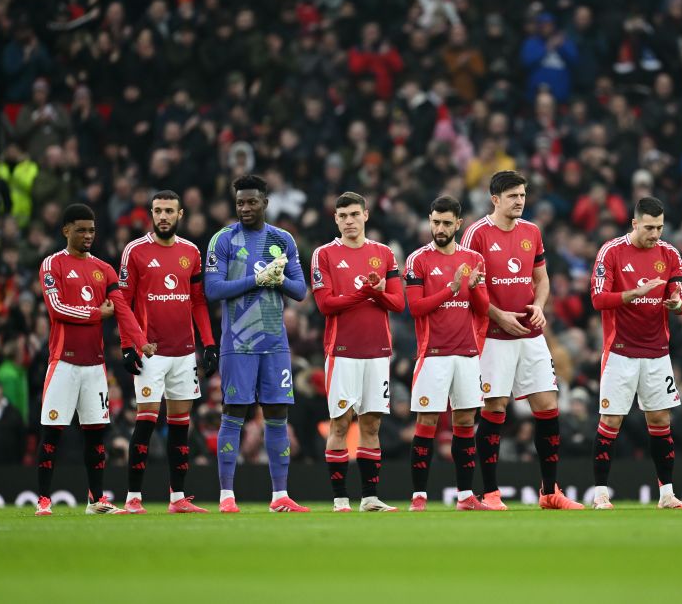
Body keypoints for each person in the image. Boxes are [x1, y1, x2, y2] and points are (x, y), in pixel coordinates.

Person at [460, 170, 581, 510]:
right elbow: (472, 288)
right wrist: (499, 316)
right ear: (495, 199)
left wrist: (540, 307)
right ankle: (492, 493)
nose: (520, 201)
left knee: (547, 405)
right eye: (513, 196)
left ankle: (549, 492)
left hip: (531, 335)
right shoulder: (477, 234)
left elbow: (541, 279)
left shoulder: (532, 232)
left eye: (523, 195)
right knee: (494, 408)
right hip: (493, 336)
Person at [35, 203, 149, 516]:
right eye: (82, 230)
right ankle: (43, 500)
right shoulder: (52, 264)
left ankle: (96, 499)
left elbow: (122, 309)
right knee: (52, 432)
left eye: (92, 230)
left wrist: (141, 342)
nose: (88, 235)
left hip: (95, 365)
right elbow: (56, 308)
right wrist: (95, 314)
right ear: (66, 230)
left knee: (96, 434)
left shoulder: (105, 269)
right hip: (63, 362)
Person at [204, 174, 308, 513]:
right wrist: (256, 279)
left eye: (251, 202)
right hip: (238, 341)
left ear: (265, 202)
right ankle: (226, 496)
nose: (245, 208)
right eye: (240, 203)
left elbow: (300, 290)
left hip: (275, 342)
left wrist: (277, 281)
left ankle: (280, 496)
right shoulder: (224, 240)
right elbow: (213, 289)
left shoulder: (282, 239)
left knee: (277, 413)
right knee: (234, 413)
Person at [117, 190, 217, 514]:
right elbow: (122, 302)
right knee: (145, 421)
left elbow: (199, 301)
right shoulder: (135, 251)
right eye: (158, 210)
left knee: (180, 426)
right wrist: (128, 345)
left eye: (169, 211)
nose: (163, 216)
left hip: (185, 352)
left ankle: (178, 499)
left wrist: (209, 344)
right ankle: (133, 498)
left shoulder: (191, 251)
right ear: (151, 213)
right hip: (151, 352)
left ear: (180, 215)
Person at [590, 196, 682, 510]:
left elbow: (681, 298)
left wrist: (676, 304)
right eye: (649, 227)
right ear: (634, 223)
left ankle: (667, 494)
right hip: (620, 351)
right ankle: (601, 494)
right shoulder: (612, 251)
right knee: (611, 421)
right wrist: (635, 293)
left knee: (661, 420)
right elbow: (598, 299)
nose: (655, 233)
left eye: (659, 227)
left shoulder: (669, 254)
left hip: (657, 351)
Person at [311, 192, 405, 512]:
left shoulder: (384, 253)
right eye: (343, 216)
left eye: (354, 214)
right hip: (342, 351)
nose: (349, 221)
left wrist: (375, 295)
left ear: (366, 215)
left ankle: (369, 498)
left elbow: (398, 303)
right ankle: (340, 500)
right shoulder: (324, 255)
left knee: (371, 425)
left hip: (378, 351)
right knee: (340, 423)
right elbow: (325, 305)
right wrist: (366, 292)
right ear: (335, 219)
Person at [404, 195, 491, 511]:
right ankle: (419, 497)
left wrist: (475, 287)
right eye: (435, 221)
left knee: (466, 422)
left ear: (458, 224)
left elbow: (482, 309)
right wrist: (453, 288)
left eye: (445, 223)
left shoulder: (474, 258)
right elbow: (415, 308)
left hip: (467, 353)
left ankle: (466, 496)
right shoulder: (418, 260)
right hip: (433, 354)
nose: (439, 228)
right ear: (429, 220)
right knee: (427, 421)